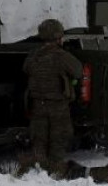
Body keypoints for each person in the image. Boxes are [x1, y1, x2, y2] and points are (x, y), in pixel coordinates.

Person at [21, 18, 82, 176]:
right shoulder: (61, 56)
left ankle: (39, 170)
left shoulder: (33, 56)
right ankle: (55, 171)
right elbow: (78, 71)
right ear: (58, 37)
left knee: (39, 139)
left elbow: (26, 69)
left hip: (37, 105)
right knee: (59, 139)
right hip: (58, 106)